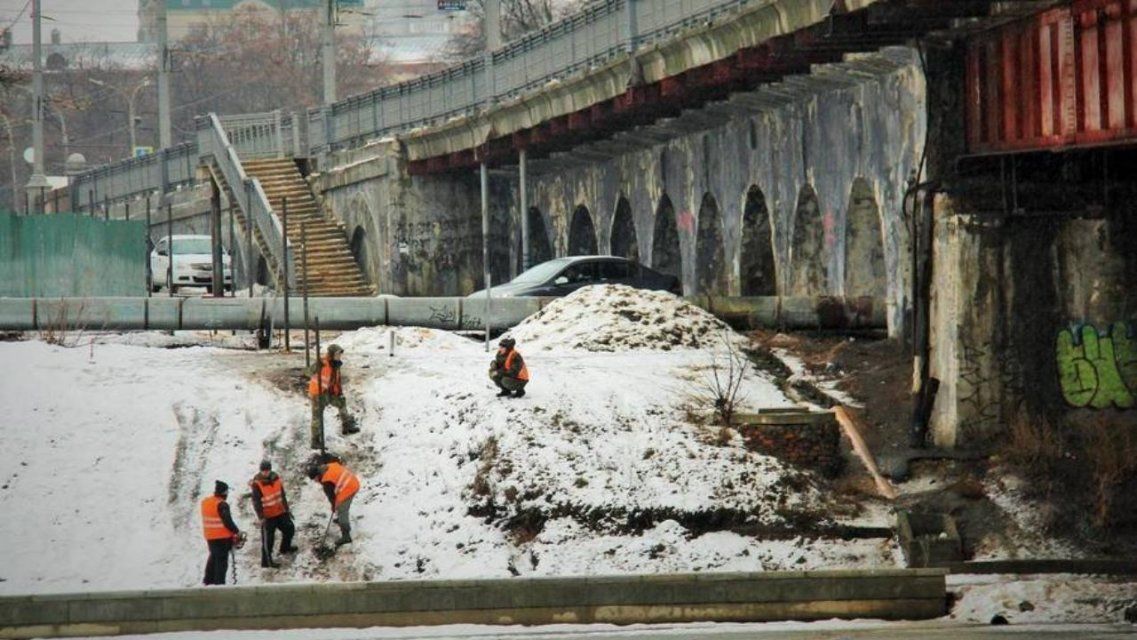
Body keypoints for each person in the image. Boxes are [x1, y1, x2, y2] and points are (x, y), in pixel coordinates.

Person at [309, 343, 358, 449]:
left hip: (329, 392)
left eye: (340, 354)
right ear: (331, 354)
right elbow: (308, 372)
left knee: (341, 402)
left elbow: (336, 380)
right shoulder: (322, 363)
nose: (339, 356)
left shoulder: (336, 365)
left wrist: (339, 392)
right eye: (337, 354)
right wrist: (316, 367)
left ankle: (346, 425)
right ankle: (315, 441)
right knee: (317, 417)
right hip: (318, 394)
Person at [249, 459, 297, 568]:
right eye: (263, 471)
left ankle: (285, 547)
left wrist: (287, 509)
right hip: (268, 516)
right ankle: (266, 562)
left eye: (267, 470)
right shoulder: (257, 484)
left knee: (289, 528)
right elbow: (256, 502)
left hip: (280, 511)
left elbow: (282, 495)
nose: (266, 473)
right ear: (260, 471)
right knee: (268, 540)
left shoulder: (276, 478)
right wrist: (261, 517)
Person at [307, 458, 360, 547]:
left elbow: (332, 497)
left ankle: (346, 536)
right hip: (352, 481)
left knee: (342, 510)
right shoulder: (327, 467)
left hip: (349, 488)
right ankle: (340, 519)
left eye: (314, 479)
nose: (315, 481)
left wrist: (334, 506)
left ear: (317, 475)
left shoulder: (326, 481)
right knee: (339, 506)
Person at [201, 480, 243, 586]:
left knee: (213, 557)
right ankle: (219, 583)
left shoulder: (206, 502)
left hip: (210, 536)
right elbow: (227, 521)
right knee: (221, 561)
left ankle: (208, 580)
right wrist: (237, 532)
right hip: (222, 537)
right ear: (224, 493)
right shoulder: (222, 505)